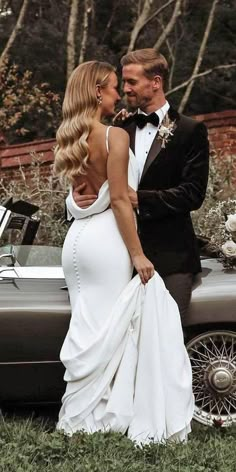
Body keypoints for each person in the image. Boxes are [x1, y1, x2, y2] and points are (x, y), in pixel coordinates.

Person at [54, 60, 194, 444]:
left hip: (77, 243)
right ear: (98, 91)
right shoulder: (114, 136)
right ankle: (97, 417)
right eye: (114, 86)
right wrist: (137, 254)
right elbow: (117, 200)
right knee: (108, 330)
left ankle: (78, 415)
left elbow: (81, 195)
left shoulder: (72, 135)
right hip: (107, 244)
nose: (120, 94)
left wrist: (73, 202)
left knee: (87, 325)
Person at [72, 49, 209, 325]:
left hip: (172, 259)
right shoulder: (120, 127)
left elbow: (192, 194)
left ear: (155, 82)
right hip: (120, 259)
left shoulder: (189, 131)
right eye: (123, 82)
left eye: (132, 82)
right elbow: (98, 179)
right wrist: (75, 200)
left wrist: (139, 199)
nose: (125, 89)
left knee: (167, 337)